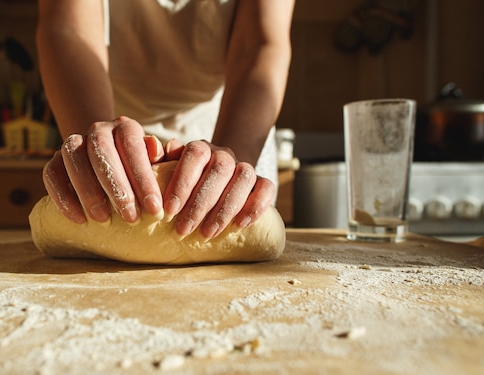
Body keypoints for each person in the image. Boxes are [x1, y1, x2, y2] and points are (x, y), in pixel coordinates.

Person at [36, 0, 294, 240]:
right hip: (105, 121)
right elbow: (69, 29)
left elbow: (259, 43)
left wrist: (232, 164)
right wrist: (97, 153)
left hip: (231, 126)